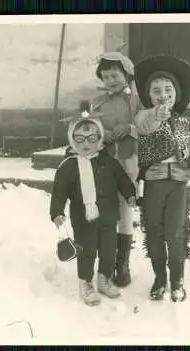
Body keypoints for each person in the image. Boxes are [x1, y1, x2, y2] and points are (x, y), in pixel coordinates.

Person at [133, 55, 190, 302]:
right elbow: (145, 128)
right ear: (149, 96)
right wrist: (156, 114)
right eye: (156, 91)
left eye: (168, 90)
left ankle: (177, 279)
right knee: (154, 231)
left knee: (175, 232)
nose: (162, 94)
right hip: (153, 183)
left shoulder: (185, 124)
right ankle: (159, 278)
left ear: (176, 94)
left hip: (177, 183)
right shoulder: (144, 116)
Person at [66, 52, 143, 288]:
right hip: (104, 162)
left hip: (129, 159)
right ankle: (103, 261)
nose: (111, 80)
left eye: (115, 75)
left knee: (125, 207)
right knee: (106, 209)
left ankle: (123, 264)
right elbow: (90, 127)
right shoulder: (98, 101)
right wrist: (102, 134)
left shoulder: (136, 98)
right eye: (106, 76)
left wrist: (129, 127)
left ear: (126, 74)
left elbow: (147, 123)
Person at [50, 101, 137, 307]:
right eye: (79, 139)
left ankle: (104, 279)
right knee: (87, 251)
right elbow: (59, 192)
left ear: (99, 140)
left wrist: (130, 194)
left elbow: (123, 180)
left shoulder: (109, 162)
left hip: (109, 217)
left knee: (108, 250)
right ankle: (86, 283)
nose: (86, 143)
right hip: (83, 219)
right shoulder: (68, 166)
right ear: (73, 141)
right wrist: (56, 213)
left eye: (92, 138)